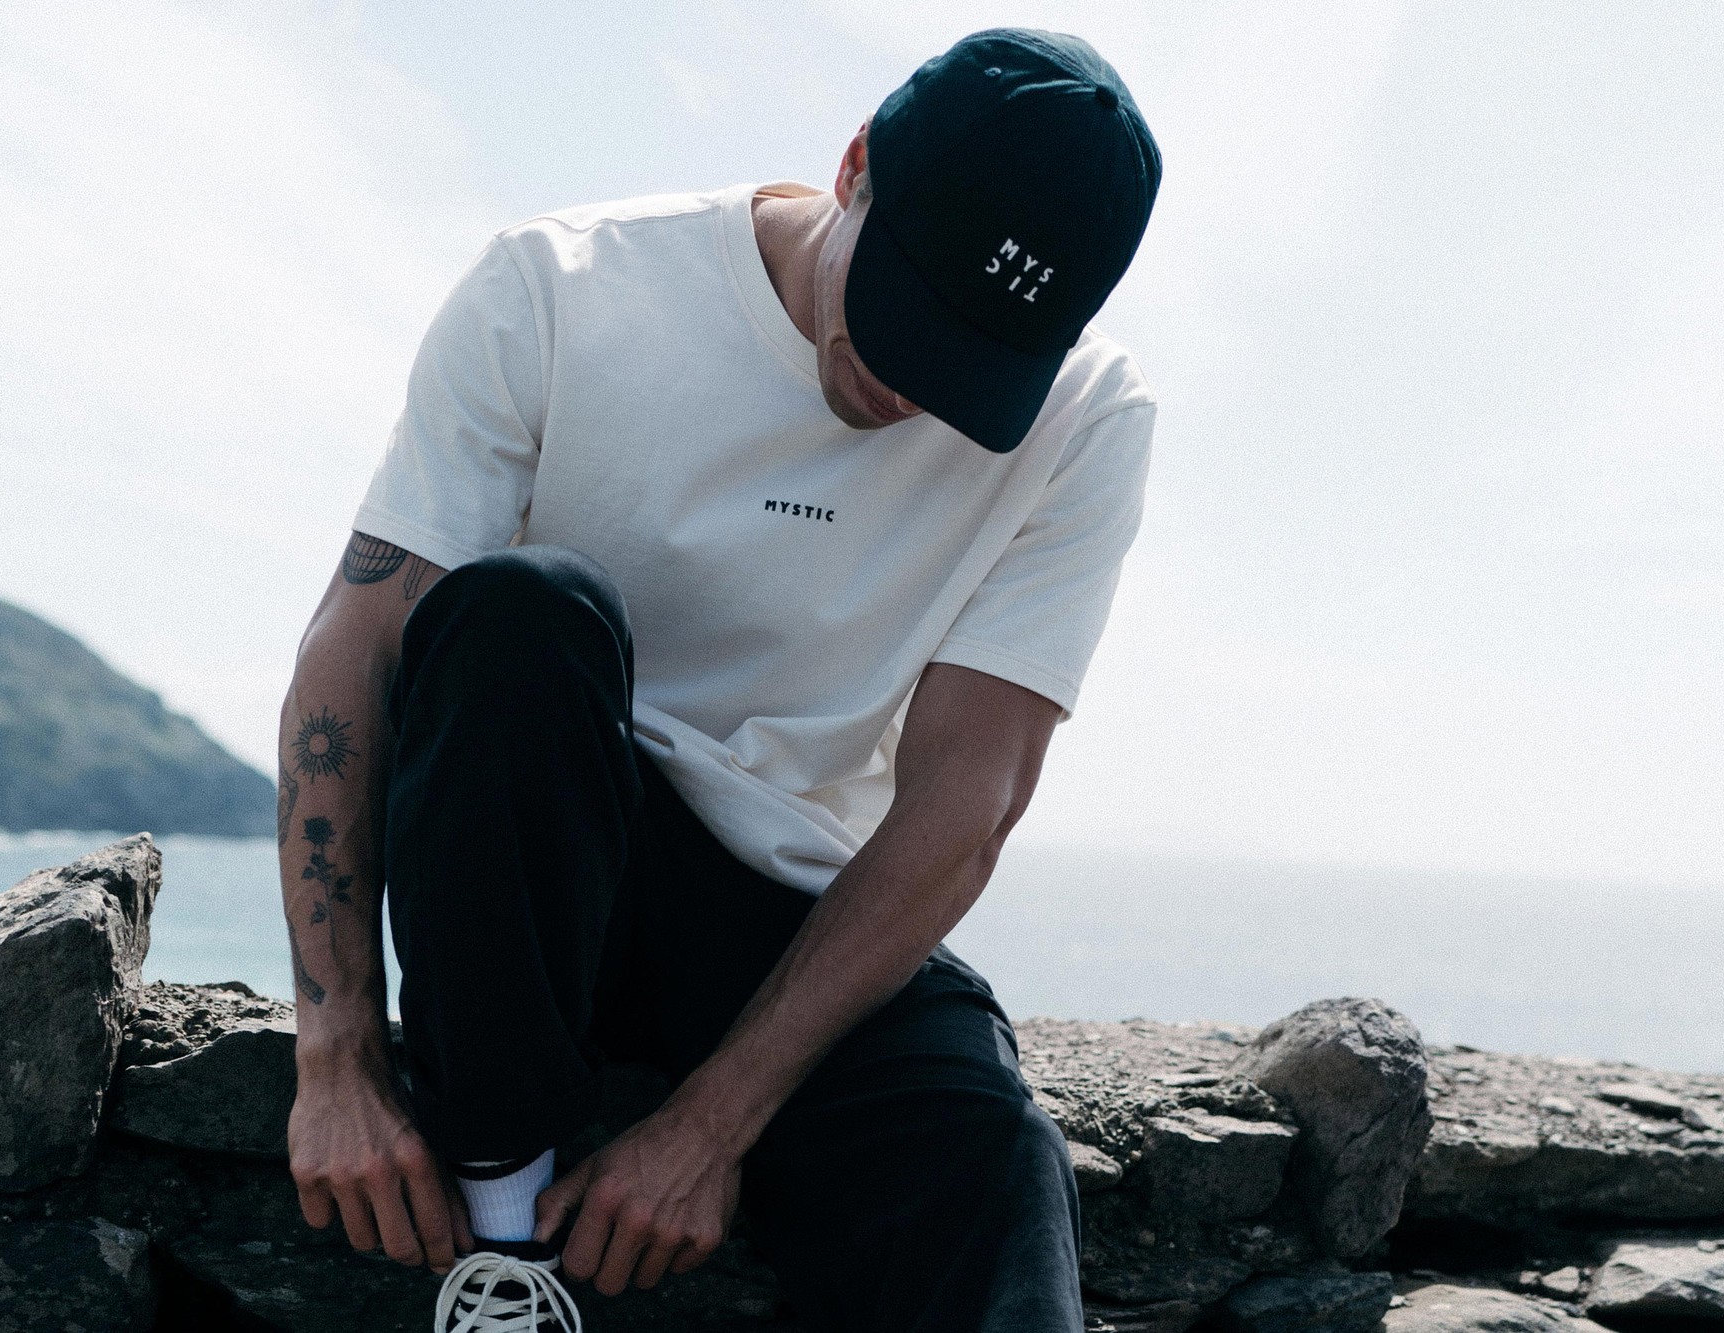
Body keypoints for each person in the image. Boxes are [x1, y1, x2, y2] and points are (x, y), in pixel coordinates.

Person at [275, 27, 1161, 1333]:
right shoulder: (562, 285)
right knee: (522, 616)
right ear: (854, 168)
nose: (913, 386)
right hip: (534, 855)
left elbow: (967, 798)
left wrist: (710, 1124)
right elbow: (355, 651)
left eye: (974, 361)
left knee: (991, 1151)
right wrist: (337, 1051)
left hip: (787, 919)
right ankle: (505, 1247)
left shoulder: (1088, 419)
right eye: (907, 313)